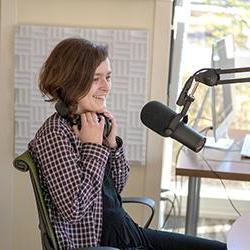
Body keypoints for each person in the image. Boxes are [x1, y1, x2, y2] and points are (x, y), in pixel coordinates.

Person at [28, 38, 227, 250]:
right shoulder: (54, 135)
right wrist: (93, 148)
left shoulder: (92, 124)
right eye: (96, 79)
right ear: (70, 82)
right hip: (104, 245)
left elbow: (117, 186)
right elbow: (74, 209)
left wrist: (111, 144)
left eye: (108, 77)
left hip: (128, 233)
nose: (106, 87)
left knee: (219, 248)